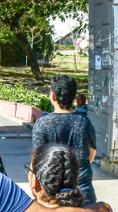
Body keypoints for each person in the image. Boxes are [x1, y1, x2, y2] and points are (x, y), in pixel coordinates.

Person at [32, 75, 98, 204]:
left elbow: (37, 161)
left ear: (53, 96)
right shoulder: (84, 122)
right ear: (74, 97)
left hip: (52, 196)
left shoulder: (42, 124)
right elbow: (91, 155)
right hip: (83, 194)